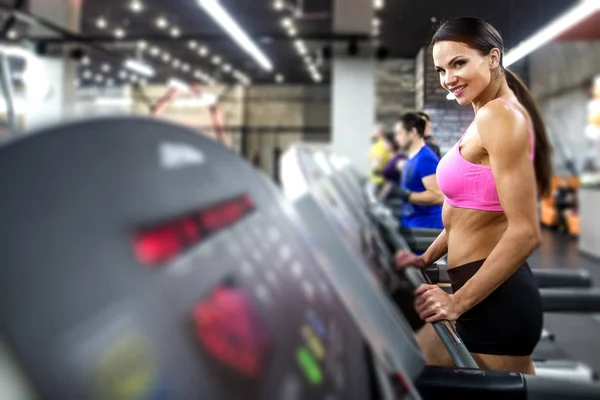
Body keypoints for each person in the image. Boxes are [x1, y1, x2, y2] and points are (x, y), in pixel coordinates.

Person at [395, 17, 552, 375]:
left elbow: (525, 232)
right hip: (478, 293)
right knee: (410, 371)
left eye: (459, 63)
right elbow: (466, 213)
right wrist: (427, 258)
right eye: (440, 69)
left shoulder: (498, 116)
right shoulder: (484, 113)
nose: (448, 78)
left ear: (493, 59)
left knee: (413, 376)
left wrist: (456, 302)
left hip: (494, 301)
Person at [394, 112, 444, 229]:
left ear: (413, 132)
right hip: (410, 224)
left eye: (400, 133)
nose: (397, 138)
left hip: (424, 229)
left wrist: (406, 195)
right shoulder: (412, 158)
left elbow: (438, 196)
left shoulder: (425, 158)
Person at [368, 124, 392, 190]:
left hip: (378, 181)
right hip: (379, 180)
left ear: (379, 133)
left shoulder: (381, 146)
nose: (371, 133)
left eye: (373, 131)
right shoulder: (384, 144)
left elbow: (377, 165)